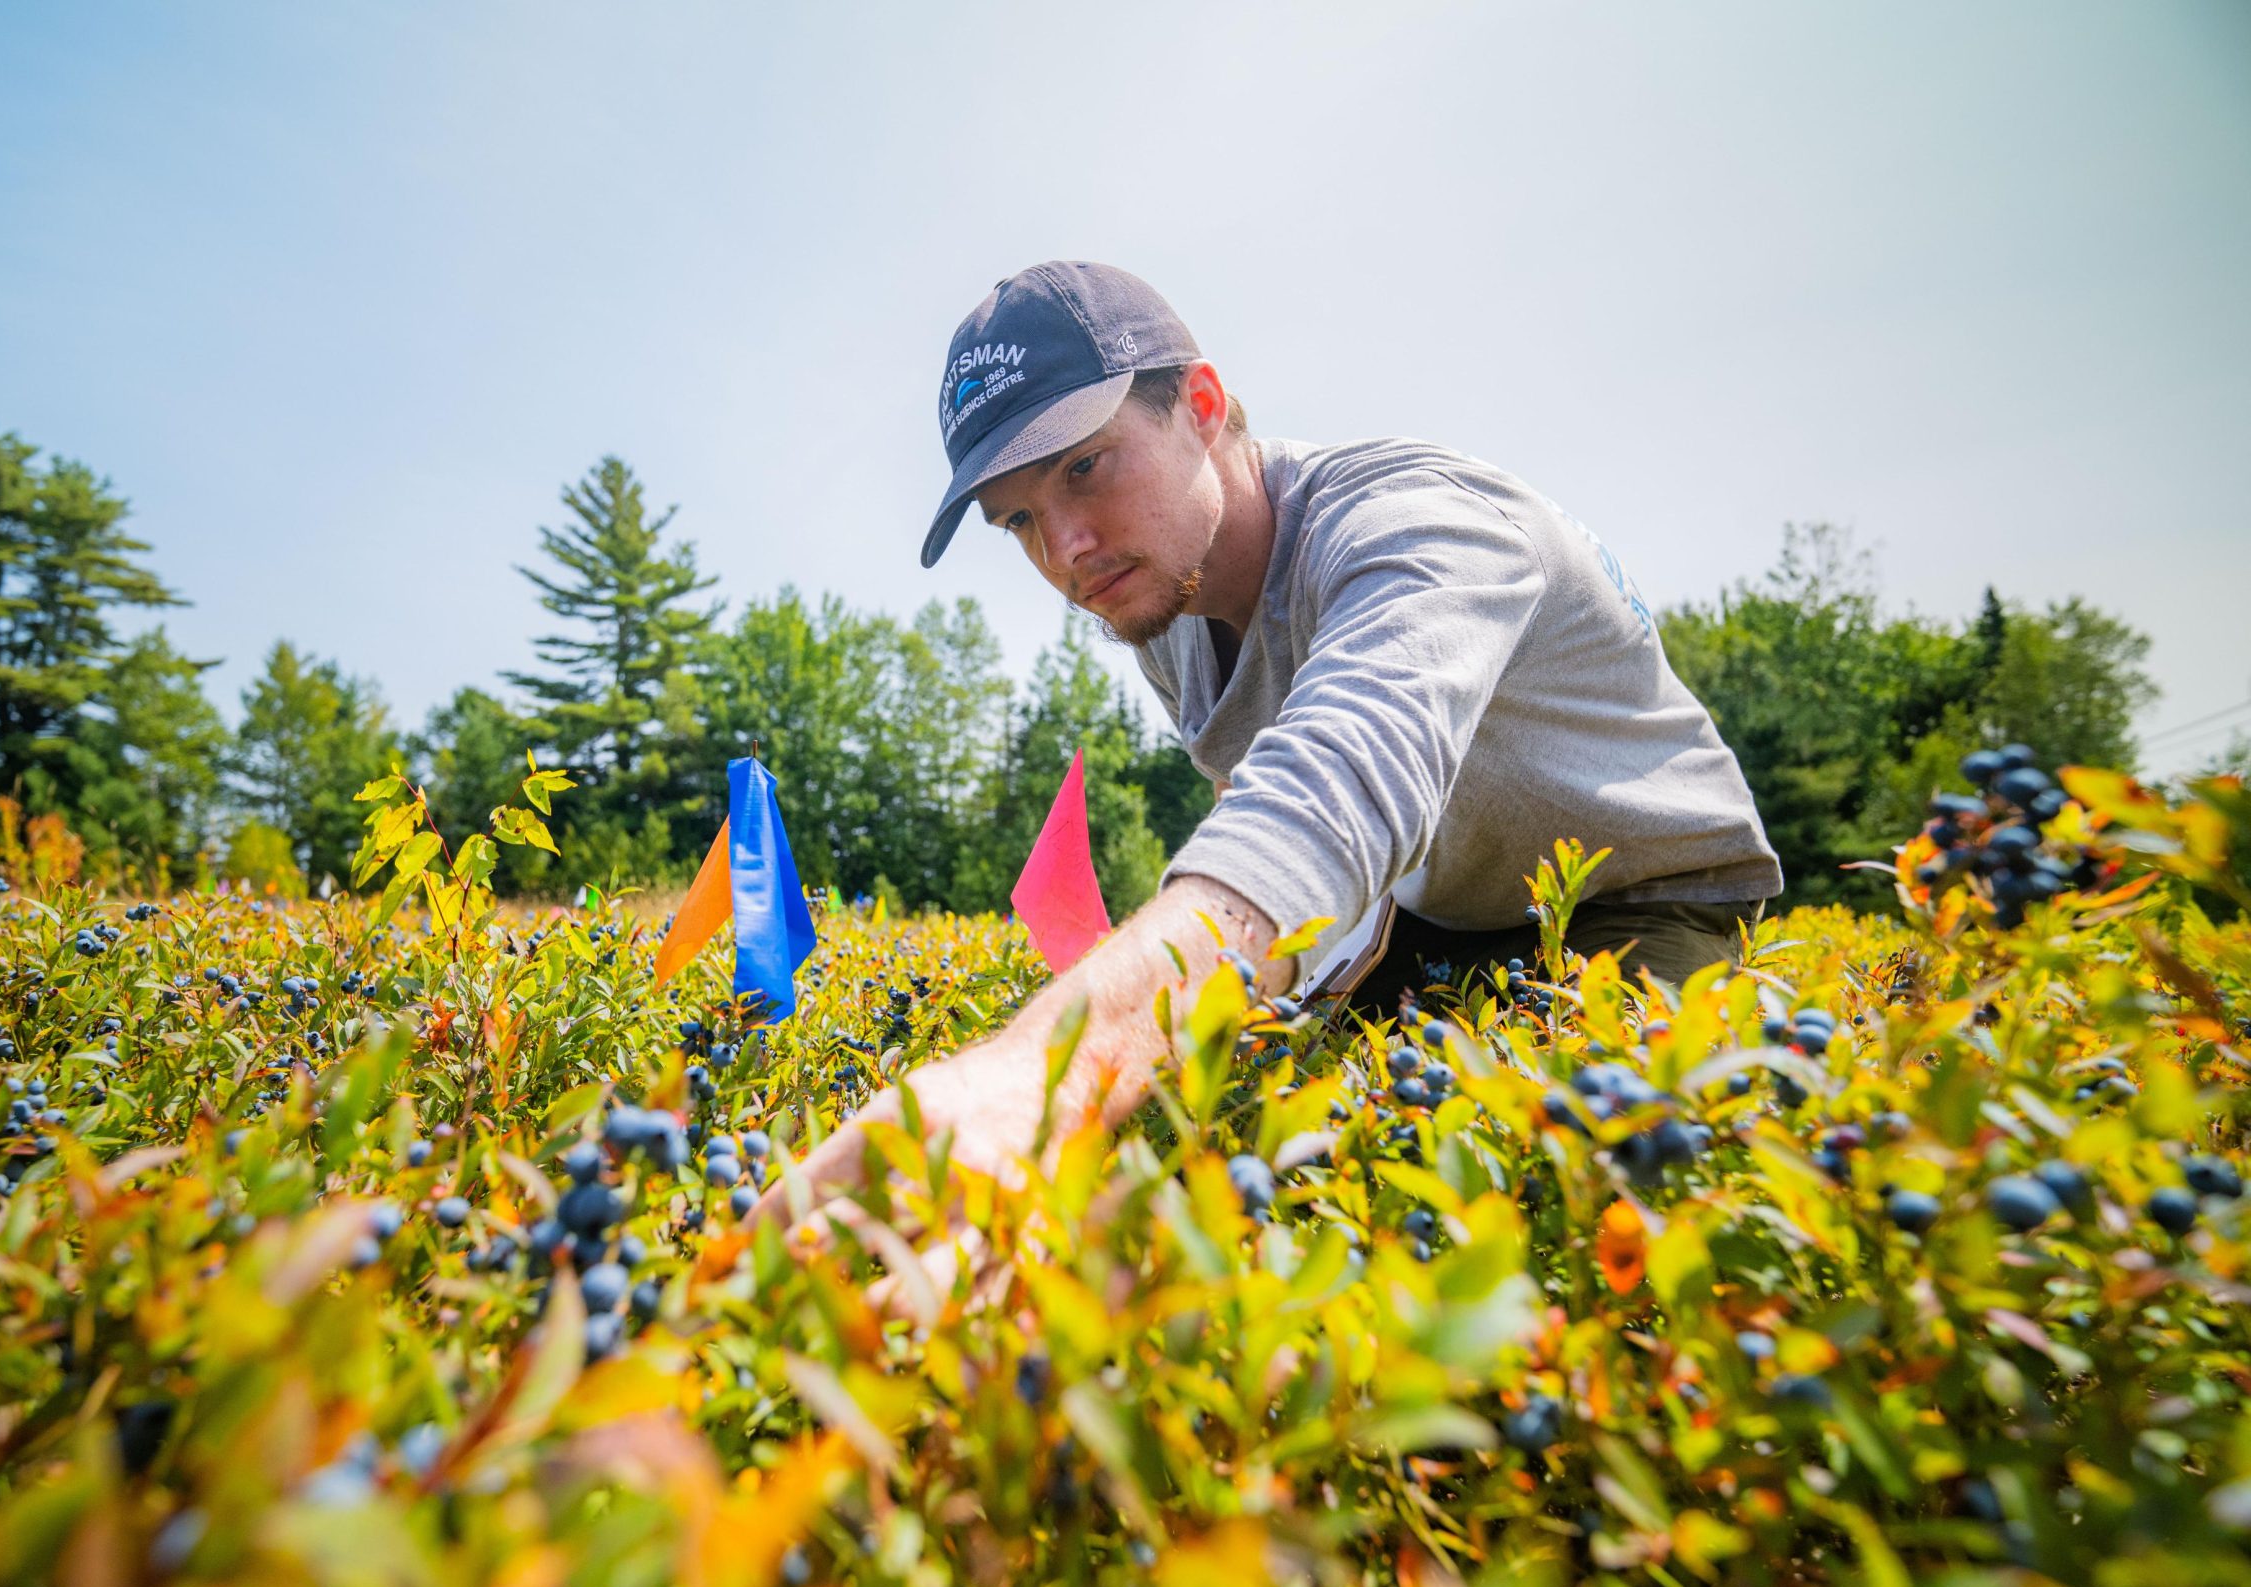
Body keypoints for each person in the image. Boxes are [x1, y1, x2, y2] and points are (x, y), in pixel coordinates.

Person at [757, 260, 1779, 1283]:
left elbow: (1329, 797)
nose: (1066, 550)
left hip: (1638, 901)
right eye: (1017, 520)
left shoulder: (1421, 527)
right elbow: (1261, 827)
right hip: (1421, 916)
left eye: (1084, 469)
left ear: (1201, 406)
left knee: (1536, 1212)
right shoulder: (1162, 607)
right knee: (1218, 1154)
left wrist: (1040, 1074)